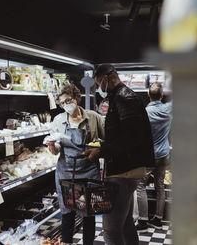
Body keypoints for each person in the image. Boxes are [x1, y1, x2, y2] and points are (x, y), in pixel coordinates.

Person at [83, 64, 154, 245]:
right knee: (126, 223)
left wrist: (102, 150)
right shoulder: (121, 97)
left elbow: (132, 137)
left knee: (111, 230)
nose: (99, 87)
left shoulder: (124, 98)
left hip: (124, 170)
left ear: (107, 77)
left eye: (99, 82)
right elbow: (126, 135)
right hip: (126, 168)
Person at [47, 84, 105, 245]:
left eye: (68, 101)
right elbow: (55, 151)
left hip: (89, 172)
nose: (66, 105)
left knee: (89, 215)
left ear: (77, 98)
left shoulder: (93, 117)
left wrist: (98, 148)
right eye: (62, 103)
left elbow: (106, 141)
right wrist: (51, 145)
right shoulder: (58, 120)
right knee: (67, 215)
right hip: (66, 173)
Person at [135, 82, 172, 232]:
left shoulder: (144, 113)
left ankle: (143, 222)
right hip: (164, 154)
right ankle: (158, 219)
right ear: (162, 95)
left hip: (150, 156)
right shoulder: (169, 109)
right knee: (160, 186)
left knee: (140, 186)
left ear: (148, 95)